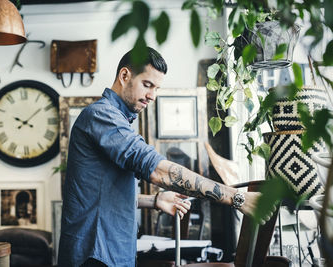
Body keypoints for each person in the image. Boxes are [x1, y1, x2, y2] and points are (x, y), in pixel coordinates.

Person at [58, 47, 264, 267]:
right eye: (147, 85)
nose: (152, 96)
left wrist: (154, 200)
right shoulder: (102, 116)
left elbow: (99, 195)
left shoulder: (115, 118)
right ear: (124, 75)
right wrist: (236, 198)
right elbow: (157, 170)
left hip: (108, 253)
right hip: (95, 254)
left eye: (156, 88)